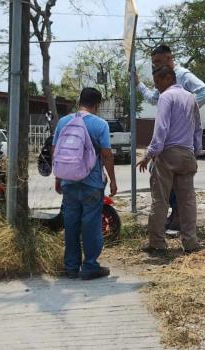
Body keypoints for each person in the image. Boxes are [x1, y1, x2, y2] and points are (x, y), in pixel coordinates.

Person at [136, 44, 205, 230]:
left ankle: (162, 234)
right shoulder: (164, 88)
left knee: (165, 195)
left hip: (175, 145)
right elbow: (155, 98)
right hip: (174, 146)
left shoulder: (183, 76)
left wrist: (185, 110)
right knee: (177, 191)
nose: (156, 66)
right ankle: (184, 232)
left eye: (160, 61)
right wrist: (138, 85)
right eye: (154, 63)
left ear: (170, 59)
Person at [52, 87, 117, 280]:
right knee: (90, 225)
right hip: (92, 183)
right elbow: (106, 155)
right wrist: (113, 180)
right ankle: (90, 267)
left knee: (70, 224)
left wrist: (58, 178)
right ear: (97, 104)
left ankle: (71, 267)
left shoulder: (63, 122)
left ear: (79, 101)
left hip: (68, 182)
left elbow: (57, 152)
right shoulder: (100, 125)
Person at [137, 66, 202, 255]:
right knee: (187, 201)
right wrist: (195, 151)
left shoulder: (166, 97)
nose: (157, 88)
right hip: (187, 154)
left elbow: (161, 129)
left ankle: (157, 243)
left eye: (157, 83)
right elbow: (198, 128)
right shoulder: (191, 98)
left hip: (168, 154)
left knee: (160, 200)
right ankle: (190, 243)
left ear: (167, 78)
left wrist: (149, 154)